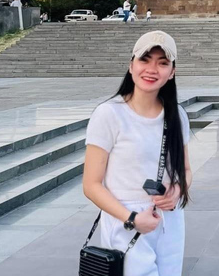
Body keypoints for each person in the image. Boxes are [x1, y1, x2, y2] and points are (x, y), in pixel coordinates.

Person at [82, 31, 192, 275]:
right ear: (131, 65)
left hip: (168, 220)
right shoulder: (109, 114)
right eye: (145, 59)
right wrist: (131, 218)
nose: (152, 69)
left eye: (162, 63)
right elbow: (91, 184)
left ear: (172, 72)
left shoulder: (177, 116)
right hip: (126, 221)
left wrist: (177, 190)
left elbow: (184, 170)